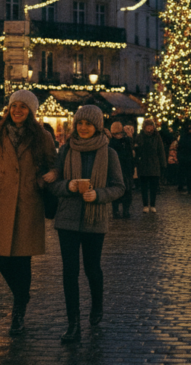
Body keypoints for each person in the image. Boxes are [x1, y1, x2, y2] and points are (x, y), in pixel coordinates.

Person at [0, 90, 55, 336]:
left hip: (29, 202)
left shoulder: (42, 136)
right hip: (3, 201)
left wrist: (45, 179)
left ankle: (18, 310)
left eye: (22, 106)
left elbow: (54, 165)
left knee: (22, 259)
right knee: (2, 259)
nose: (17, 110)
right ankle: (21, 294)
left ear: (31, 111)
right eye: (14, 106)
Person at [49, 105, 125, 343]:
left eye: (88, 124)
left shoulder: (109, 153)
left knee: (92, 268)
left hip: (95, 219)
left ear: (97, 126)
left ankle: (97, 305)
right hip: (67, 219)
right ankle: (73, 323)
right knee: (69, 272)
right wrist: (68, 186)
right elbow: (54, 184)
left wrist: (99, 195)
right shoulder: (66, 149)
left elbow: (119, 187)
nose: (83, 128)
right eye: (80, 123)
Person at [134, 119, 166, 213]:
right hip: (143, 164)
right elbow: (137, 150)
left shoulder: (156, 137)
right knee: (144, 186)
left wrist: (163, 164)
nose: (149, 129)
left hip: (154, 164)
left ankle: (152, 204)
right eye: (147, 127)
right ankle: (145, 205)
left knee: (153, 186)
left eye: (151, 127)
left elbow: (161, 150)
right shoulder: (140, 137)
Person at [109, 121, 135, 218]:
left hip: (126, 169)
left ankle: (125, 210)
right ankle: (116, 210)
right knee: (116, 191)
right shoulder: (112, 143)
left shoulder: (126, 141)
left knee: (127, 192)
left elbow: (130, 155)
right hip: (117, 170)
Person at [176, 124, 191, 194]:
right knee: (189, 174)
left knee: (181, 173)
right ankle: (189, 187)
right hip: (188, 158)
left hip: (182, 157)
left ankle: (181, 186)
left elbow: (179, 148)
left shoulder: (182, 137)